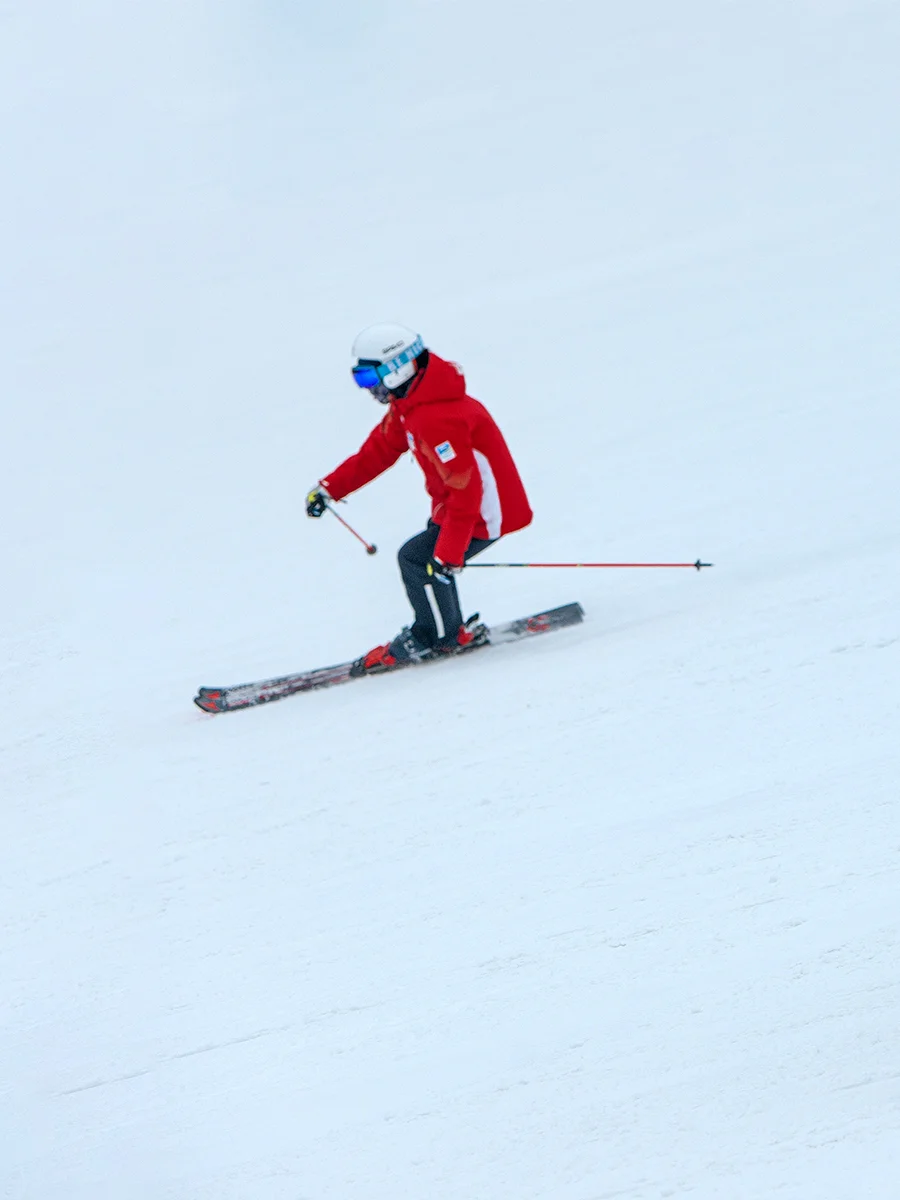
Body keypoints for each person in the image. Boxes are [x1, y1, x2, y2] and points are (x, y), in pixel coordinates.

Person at [306, 323, 533, 673]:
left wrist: (450, 552)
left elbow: (466, 489)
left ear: (397, 367)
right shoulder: (410, 405)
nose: (368, 390)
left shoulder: (437, 417)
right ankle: (451, 631)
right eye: (360, 380)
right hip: (457, 507)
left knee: (418, 560)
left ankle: (436, 637)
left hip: (486, 513)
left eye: (369, 378)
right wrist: (330, 488)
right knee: (429, 561)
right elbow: (379, 451)